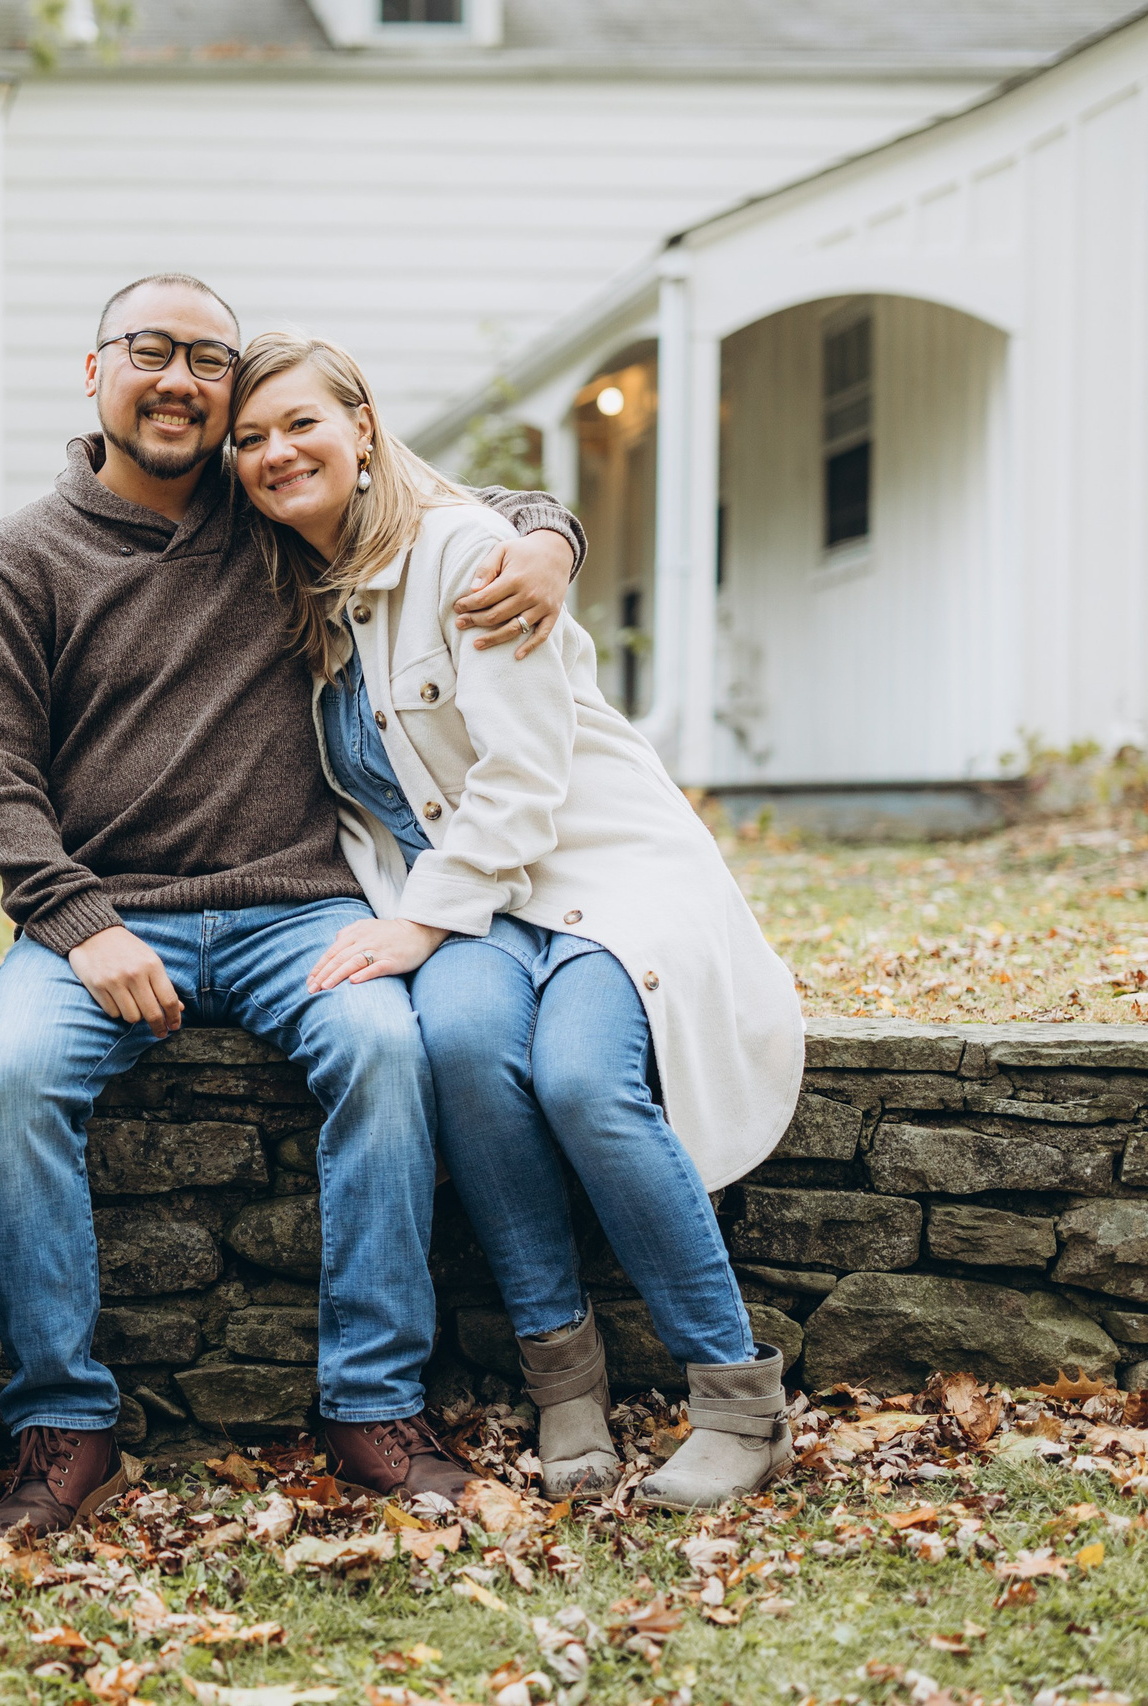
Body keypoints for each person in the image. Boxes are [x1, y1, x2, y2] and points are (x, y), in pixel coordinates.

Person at [0, 273, 587, 1534]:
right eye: (150, 350)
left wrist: (550, 535)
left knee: (382, 1046)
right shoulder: (23, 556)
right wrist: (83, 924)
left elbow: (447, 503)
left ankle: (371, 1405)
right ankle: (63, 1427)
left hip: (298, 904)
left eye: (208, 359)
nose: (180, 378)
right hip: (105, 911)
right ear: (94, 373)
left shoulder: (273, 515)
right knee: (10, 1076)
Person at [226, 330, 805, 1510]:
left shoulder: (465, 553)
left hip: (595, 871)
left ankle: (741, 1401)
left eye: (300, 424)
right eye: (249, 439)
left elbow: (526, 776)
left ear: (364, 426)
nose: (276, 452)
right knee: (463, 1055)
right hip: (471, 908)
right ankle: (564, 1383)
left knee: (586, 1080)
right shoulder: (300, 593)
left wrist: (415, 927)